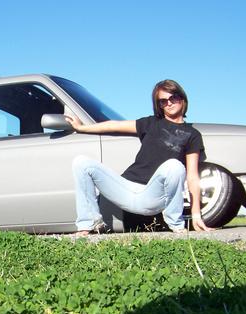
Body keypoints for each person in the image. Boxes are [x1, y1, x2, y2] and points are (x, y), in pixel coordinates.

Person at [66, 79, 213, 236]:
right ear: (159, 105)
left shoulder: (192, 135)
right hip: (126, 190)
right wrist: (82, 128)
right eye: (163, 101)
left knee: (175, 166)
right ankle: (88, 225)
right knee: (82, 163)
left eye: (173, 97)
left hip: (153, 196)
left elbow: (192, 177)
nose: (169, 103)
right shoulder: (151, 123)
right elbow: (114, 125)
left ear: (182, 98)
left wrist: (196, 215)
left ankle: (176, 224)